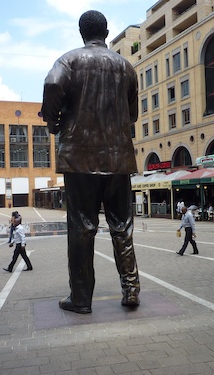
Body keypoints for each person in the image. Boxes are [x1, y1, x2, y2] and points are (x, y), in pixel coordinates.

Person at [42, 10, 140, 314]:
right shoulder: (126, 67)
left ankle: (81, 298)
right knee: (122, 226)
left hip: (80, 158)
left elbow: (52, 85)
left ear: (81, 32)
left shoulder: (69, 60)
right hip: (119, 158)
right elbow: (133, 114)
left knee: (82, 227)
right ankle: (132, 289)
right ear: (107, 31)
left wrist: (53, 121)